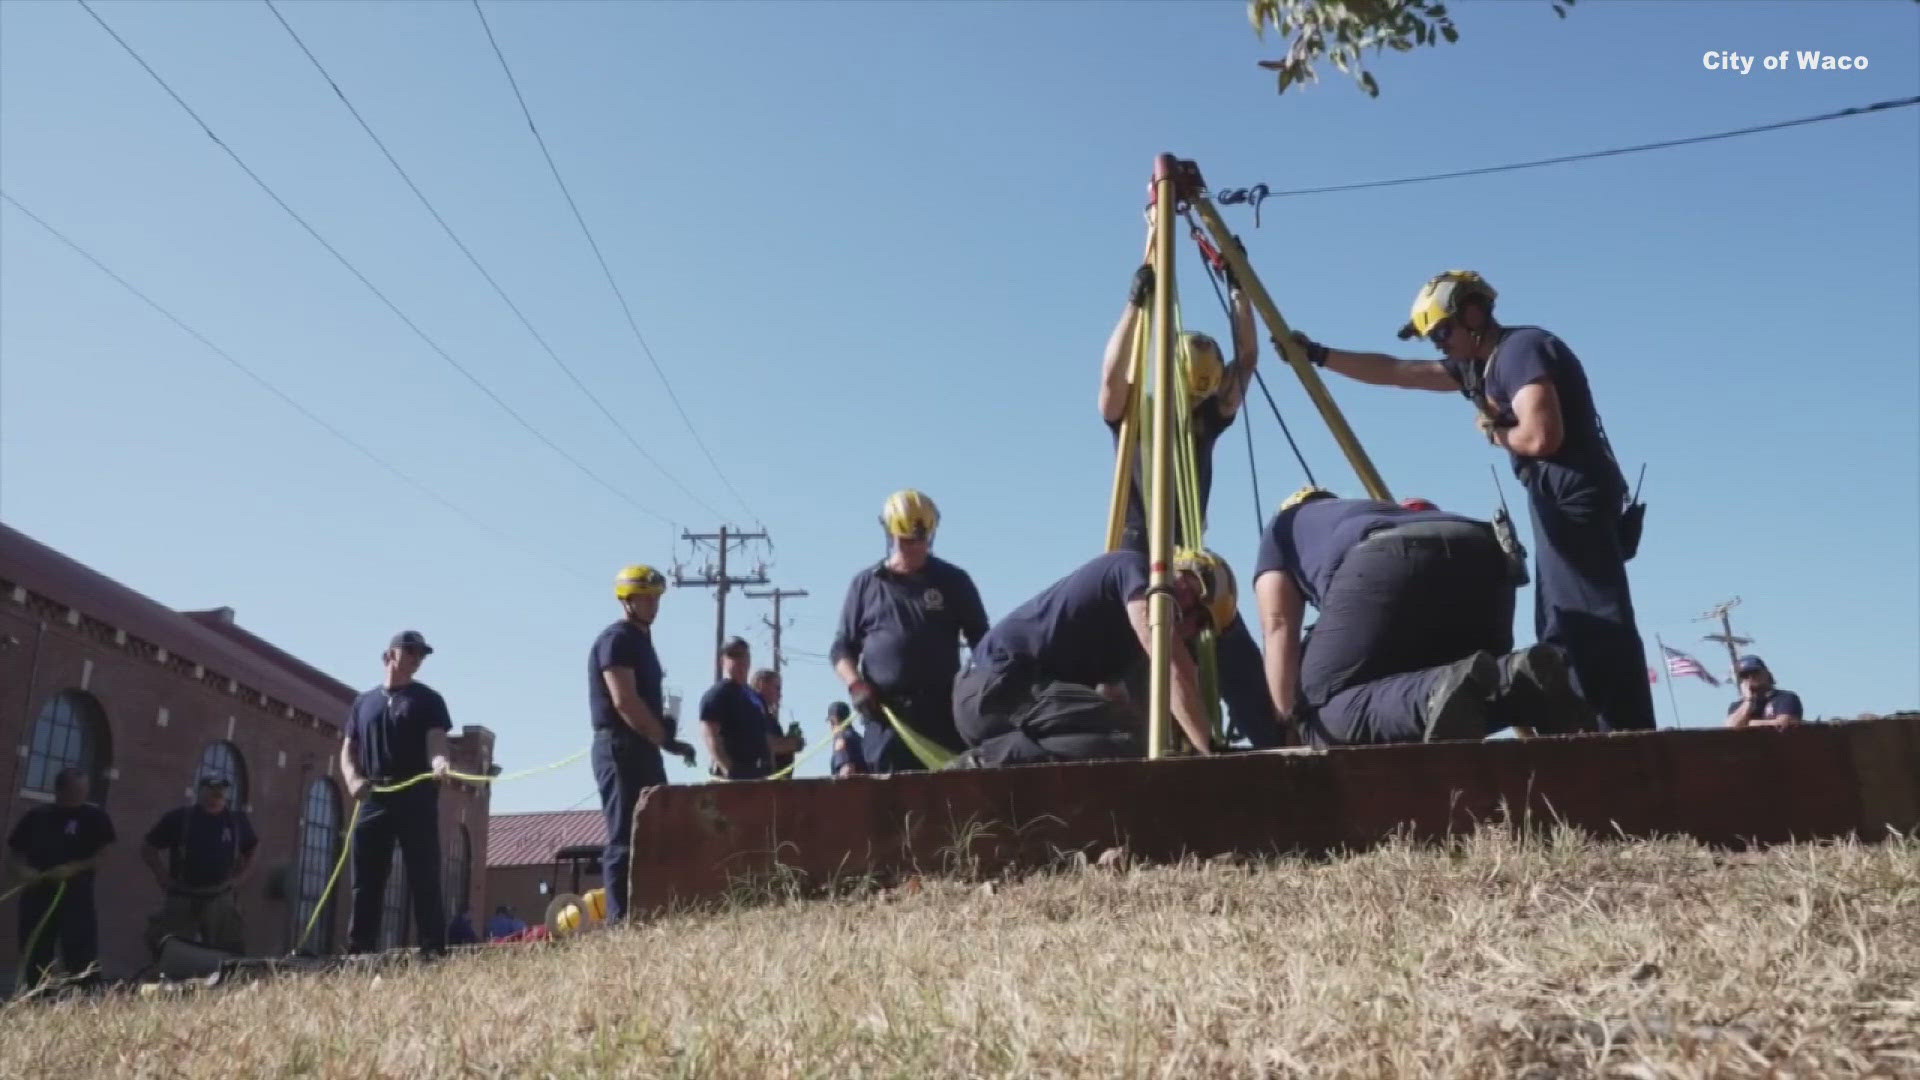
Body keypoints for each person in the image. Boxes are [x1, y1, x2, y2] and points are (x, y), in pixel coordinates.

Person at [1294, 271, 1656, 733]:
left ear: (1473, 313)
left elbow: (1543, 435)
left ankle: (1619, 731)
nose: (1439, 344)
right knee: (1563, 616)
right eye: (1432, 337)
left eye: (1443, 331)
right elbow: (1397, 372)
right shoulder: (1476, 367)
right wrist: (1320, 356)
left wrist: (1496, 431)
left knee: (1589, 616)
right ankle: (1591, 726)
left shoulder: (1522, 349)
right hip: (1554, 494)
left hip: (1571, 488)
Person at [1100, 224, 1283, 749]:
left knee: (1222, 633)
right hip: (1137, 549)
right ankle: (1154, 746)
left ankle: (1268, 733)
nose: (1197, 408)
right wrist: (1136, 307)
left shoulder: (1206, 417)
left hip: (1188, 552)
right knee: (1142, 661)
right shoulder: (1136, 415)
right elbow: (1113, 378)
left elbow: (1246, 361)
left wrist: (1238, 288)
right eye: (1193, 398)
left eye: (1203, 399)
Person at [1252, 488, 1595, 746]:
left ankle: (1433, 693)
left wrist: (1289, 723)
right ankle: (1522, 678)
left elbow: (1279, 625)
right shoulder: (1370, 511)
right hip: (1485, 554)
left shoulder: (1282, 527)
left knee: (1322, 712)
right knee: (1470, 688)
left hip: (1390, 558)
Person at [951, 547, 1235, 767]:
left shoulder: (1126, 650)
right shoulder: (1132, 569)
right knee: (1125, 735)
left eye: (1200, 619)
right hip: (994, 686)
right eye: (1190, 587)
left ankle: (995, 757)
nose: (1185, 609)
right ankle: (982, 762)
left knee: (1123, 742)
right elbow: (1172, 666)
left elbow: (1133, 713)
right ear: (1175, 569)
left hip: (1009, 700)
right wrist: (1209, 750)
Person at [831, 490, 989, 772]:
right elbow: (842, 648)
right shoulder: (866, 585)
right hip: (886, 718)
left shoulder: (953, 581)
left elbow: (984, 643)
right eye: (905, 541)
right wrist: (856, 685)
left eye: (919, 540)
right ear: (890, 534)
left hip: (942, 715)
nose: (913, 548)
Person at [589, 565, 694, 923]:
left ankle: (651, 913)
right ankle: (620, 922)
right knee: (624, 835)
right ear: (627, 600)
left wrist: (668, 739)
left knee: (655, 826)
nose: (654, 605)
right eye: (646, 598)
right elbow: (624, 700)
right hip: (619, 746)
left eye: (656, 597)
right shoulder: (617, 639)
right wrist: (660, 737)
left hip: (644, 745)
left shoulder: (643, 643)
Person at [338, 630, 453, 956]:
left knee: (423, 872)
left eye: (422, 654)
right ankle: (360, 952)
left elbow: (436, 739)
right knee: (366, 877)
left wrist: (440, 760)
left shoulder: (429, 700)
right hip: (374, 794)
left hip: (415, 792)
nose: (418, 658)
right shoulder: (364, 703)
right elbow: (349, 749)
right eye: (411, 651)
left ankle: (433, 950)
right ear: (389, 655)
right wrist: (352, 779)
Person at [6, 767, 115, 989]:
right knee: (35, 949)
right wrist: (23, 871)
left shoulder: (94, 817)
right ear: (60, 790)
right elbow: (14, 855)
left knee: (81, 950)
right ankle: (38, 997)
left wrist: (74, 868)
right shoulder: (37, 817)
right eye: (75, 790)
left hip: (75, 894)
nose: (81, 795)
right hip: (37, 893)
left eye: (83, 790)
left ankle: (86, 998)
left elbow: (103, 856)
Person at [141, 774, 257, 957]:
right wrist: (161, 876)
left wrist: (240, 878)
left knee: (229, 952)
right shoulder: (179, 818)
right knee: (169, 947)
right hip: (183, 894)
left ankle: (226, 984)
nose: (217, 795)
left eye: (221, 791)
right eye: (212, 790)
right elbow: (149, 847)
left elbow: (252, 850)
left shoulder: (236, 821)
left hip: (220, 896)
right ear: (201, 791)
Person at [701, 638, 776, 780]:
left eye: (743, 655)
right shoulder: (718, 694)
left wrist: (770, 766)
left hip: (759, 773)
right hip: (732, 775)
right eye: (733, 655)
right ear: (722, 661)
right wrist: (728, 769)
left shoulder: (756, 698)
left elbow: (765, 735)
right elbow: (710, 734)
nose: (739, 660)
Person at [750, 669, 804, 776]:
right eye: (777, 688)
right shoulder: (751, 711)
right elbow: (762, 744)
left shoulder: (769, 718)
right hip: (755, 782)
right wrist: (793, 743)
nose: (780, 695)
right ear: (762, 684)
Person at [1726, 655, 1804, 728]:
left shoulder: (1785, 698)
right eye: (1745, 675)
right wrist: (1748, 701)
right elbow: (1731, 726)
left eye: (1755, 672)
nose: (1750, 677)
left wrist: (1747, 723)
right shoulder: (1738, 706)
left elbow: (1784, 723)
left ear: (1767, 673)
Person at [824, 702, 865, 777]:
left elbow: (847, 770)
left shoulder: (841, 738)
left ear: (834, 720)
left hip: (853, 787)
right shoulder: (859, 738)